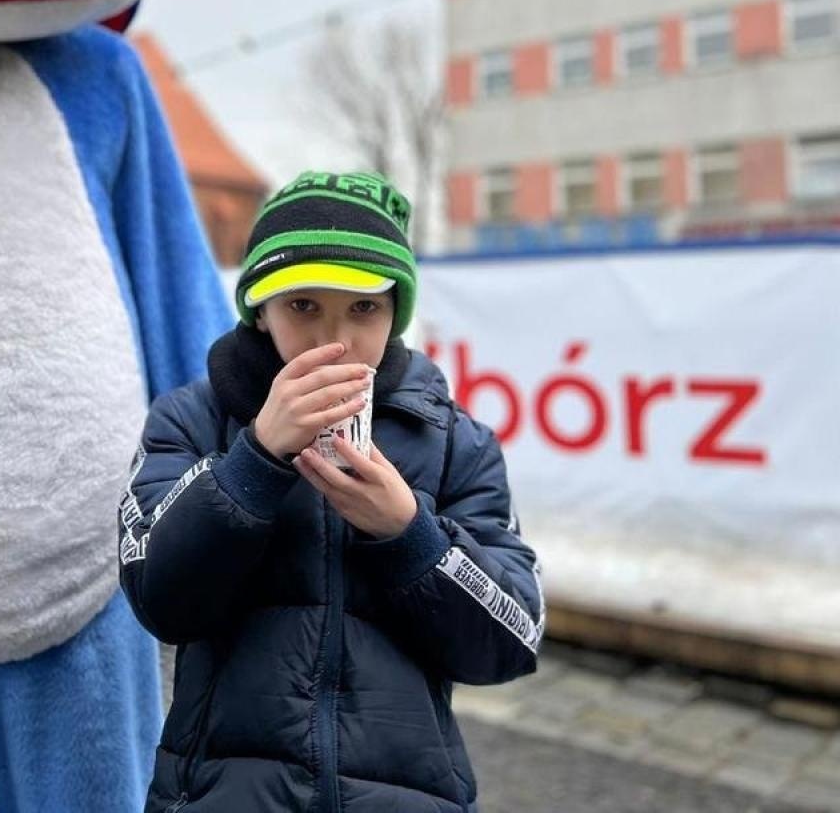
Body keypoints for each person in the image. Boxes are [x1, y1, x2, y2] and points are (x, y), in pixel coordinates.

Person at [119, 170, 543, 813]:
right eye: (303, 306)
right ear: (260, 310)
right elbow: (159, 602)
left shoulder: (457, 441)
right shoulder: (190, 420)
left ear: (396, 312)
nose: (332, 341)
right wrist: (255, 460)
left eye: (363, 308)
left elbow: (510, 643)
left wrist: (410, 535)